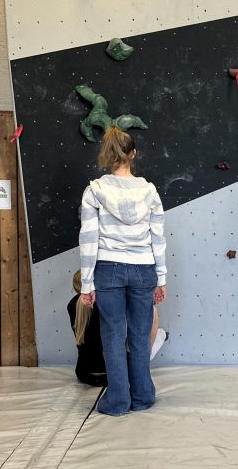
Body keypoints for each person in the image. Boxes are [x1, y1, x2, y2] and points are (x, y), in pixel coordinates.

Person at [79, 126, 167, 416]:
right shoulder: (150, 191)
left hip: (108, 268)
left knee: (113, 336)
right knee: (141, 335)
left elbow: (89, 239)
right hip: (143, 268)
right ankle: (143, 396)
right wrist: (162, 278)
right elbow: (158, 238)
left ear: (107, 155)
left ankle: (117, 402)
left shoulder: (94, 191)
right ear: (134, 154)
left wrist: (87, 284)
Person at [67, 270, 167, 387]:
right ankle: (143, 358)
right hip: (115, 374)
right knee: (156, 322)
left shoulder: (72, 305)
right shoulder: (109, 301)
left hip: (85, 374)